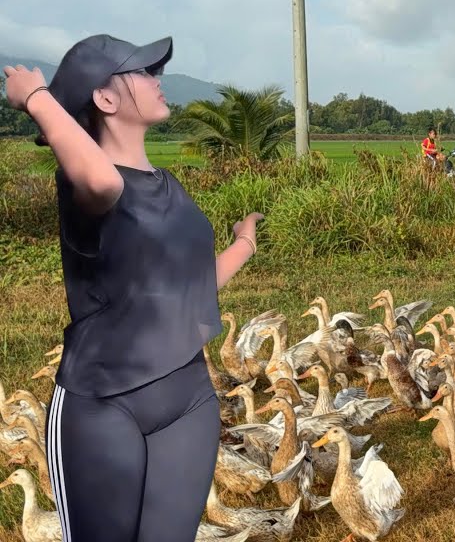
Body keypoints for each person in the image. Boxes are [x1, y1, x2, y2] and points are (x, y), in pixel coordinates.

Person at [2, 35, 263, 541]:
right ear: (106, 99)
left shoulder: (168, 186)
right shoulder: (84, 187)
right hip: (101, 404)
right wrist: (37, 99)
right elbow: (102, 181)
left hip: (187, 399)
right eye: (143, 72)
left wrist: (243, 244)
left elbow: (186, 287)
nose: (158, 80)